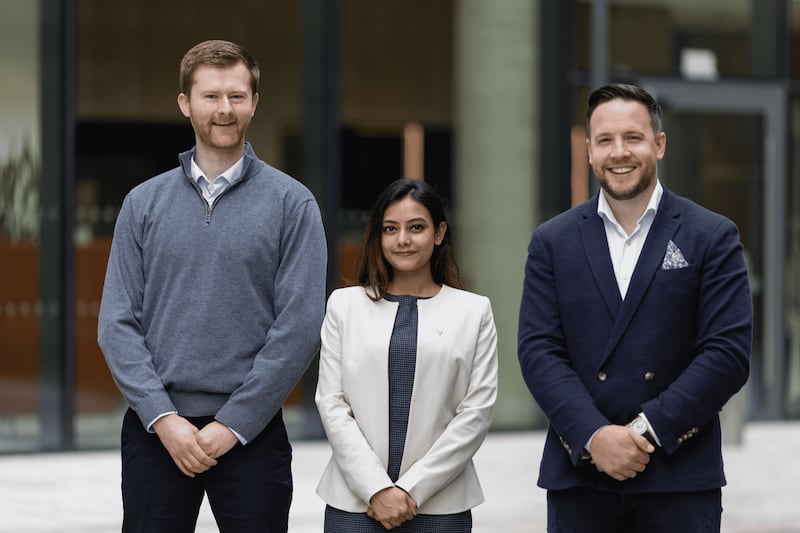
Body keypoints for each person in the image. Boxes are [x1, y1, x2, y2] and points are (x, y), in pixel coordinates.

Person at [97, 39, 327, 532]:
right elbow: (116, 323)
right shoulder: (142, 203)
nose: (225, 109)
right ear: (185, 103)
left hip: (252, 432)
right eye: (211, 96)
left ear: (254, 102)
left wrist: (234, 424)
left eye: (237, 96)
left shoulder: (293, 204)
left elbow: (301, 326)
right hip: (157, 432)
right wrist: (164, 419)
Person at [517, 83, 752, 532]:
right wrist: (594, 436)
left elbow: (726, 354)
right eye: (605, 140)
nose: (618, 152)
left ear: (659, 144)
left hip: (678, 477)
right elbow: (538, 350)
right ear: (588, 150)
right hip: (581, 480)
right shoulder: (553, 241)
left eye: (633, 138)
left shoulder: (712, 235)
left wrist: (642, 433)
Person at [315, 178, 498, 532]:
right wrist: (377, 488)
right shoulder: (344, 305)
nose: (402, 239)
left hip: (441, 504)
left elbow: (475, 413)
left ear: (439, 233)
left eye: (416, 228)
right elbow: (331, 403)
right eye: (390, 229)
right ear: (378, 236)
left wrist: (410, 491)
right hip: (354, 504)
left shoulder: (474, 312)